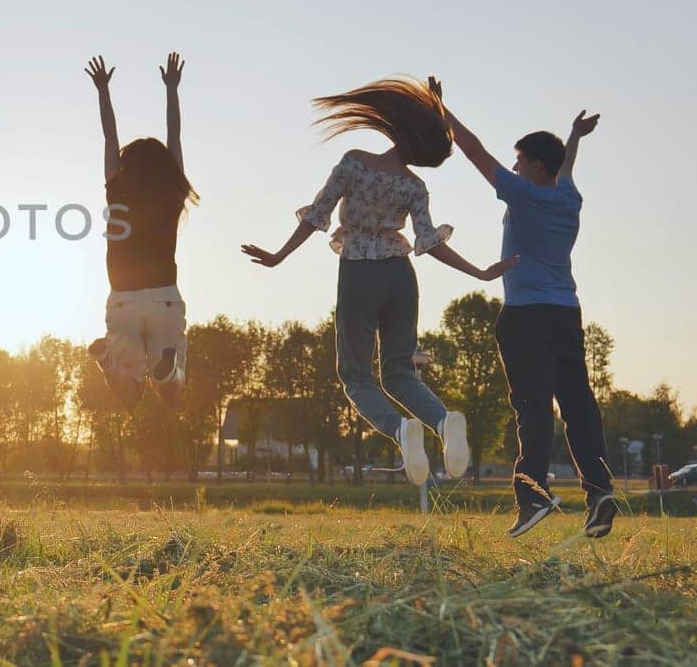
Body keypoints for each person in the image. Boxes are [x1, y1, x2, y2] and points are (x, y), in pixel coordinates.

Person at [241, 78, 515, 487]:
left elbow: (318, 215)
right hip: (402, 277)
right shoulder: (414, 186)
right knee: (400, 372)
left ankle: (401, 429)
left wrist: (280, 256)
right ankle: (442, 422)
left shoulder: (354, 162)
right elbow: (428, 243)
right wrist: (478, 272)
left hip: (360, 273)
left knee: (356, 375)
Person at [434, 80, 616, 538]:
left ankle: (533, 493)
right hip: (566, 313)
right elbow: (567, 167)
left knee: (532, 406)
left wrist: (442, 109)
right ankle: (600, 493)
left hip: (525, 316)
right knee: (578, 405)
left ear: (534, 165)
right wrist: (573, 137)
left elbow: (474, 151)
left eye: (519, 159)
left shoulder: (525, 194)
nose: (513, 165)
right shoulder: (569, 198)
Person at [83, 53, 198, 409]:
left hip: (123, 298)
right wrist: (172, 90)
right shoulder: (172, 188)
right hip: (164, 295)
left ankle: (108, 364)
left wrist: (103, 91)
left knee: (129, 394)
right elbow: (174, 135)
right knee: (171, 391)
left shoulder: (117, 187)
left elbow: (109, 136)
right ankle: (167, 371)